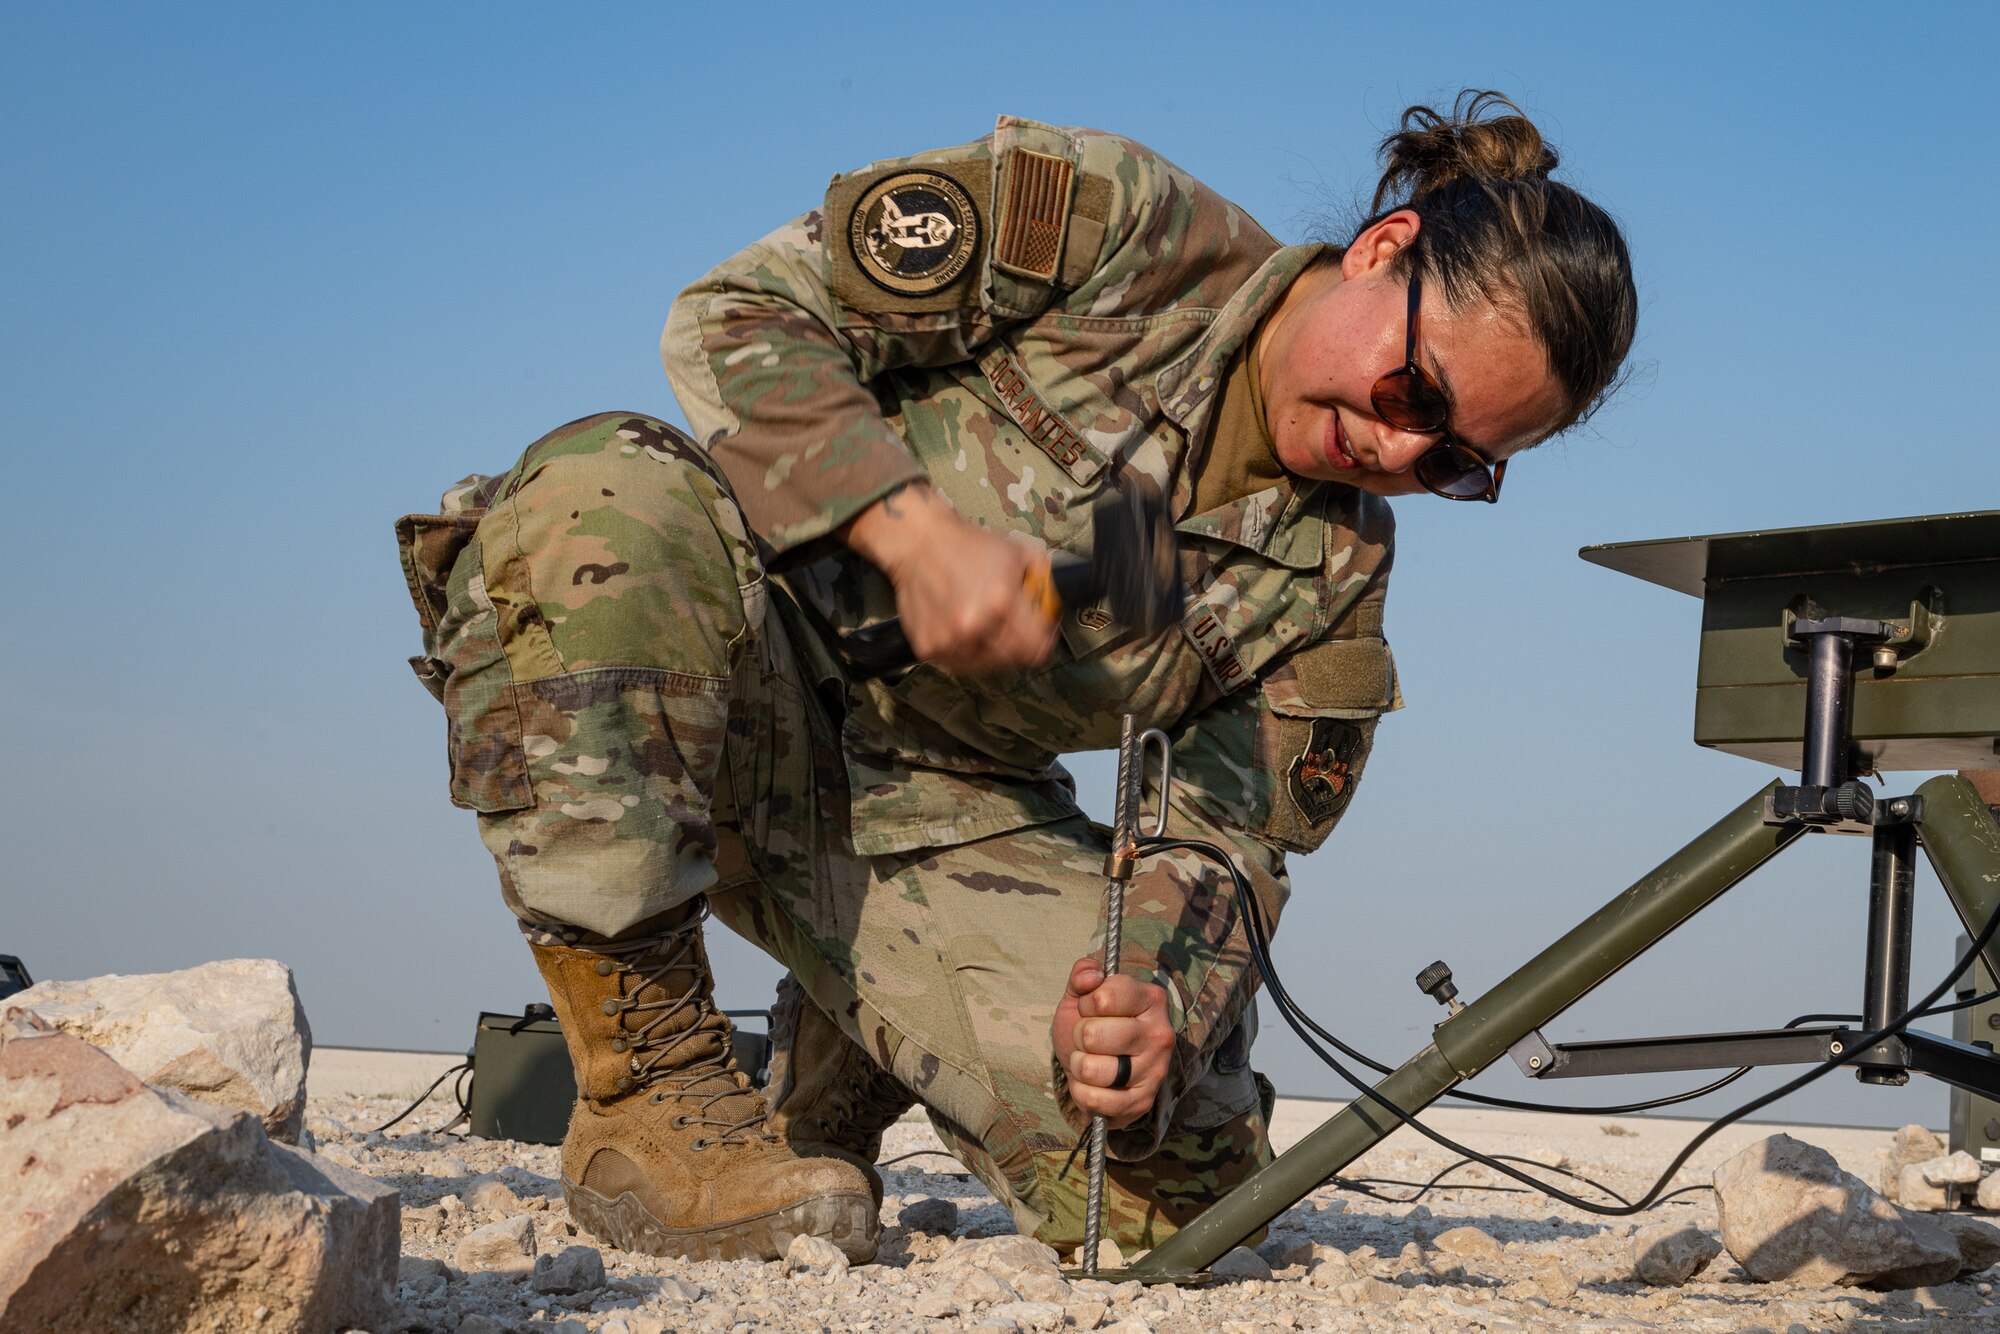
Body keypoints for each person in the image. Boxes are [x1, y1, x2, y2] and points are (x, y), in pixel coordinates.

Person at [395, 91, 1637, 1264]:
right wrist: (904, 530)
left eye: (1457, 462)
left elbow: (1226, 836)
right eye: (1412, 389)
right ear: (1385, 247)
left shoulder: (1333, 578)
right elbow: (736, 314)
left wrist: (1150, 990)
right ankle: (646, 1093)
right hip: (715, 681)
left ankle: (854, 1031)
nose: (1395, 446)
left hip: (941, 814)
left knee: (1174, 1200)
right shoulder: (1117, 228)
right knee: (598, 495)